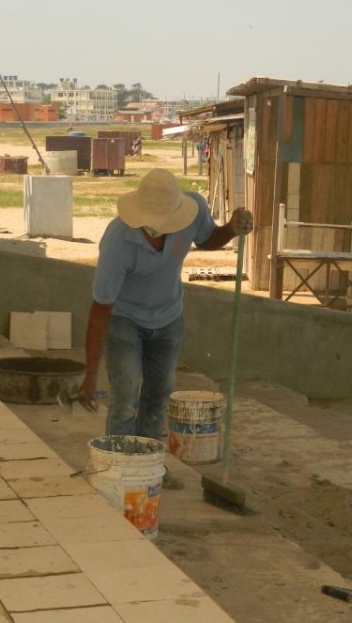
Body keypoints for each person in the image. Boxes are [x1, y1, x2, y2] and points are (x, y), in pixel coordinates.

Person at [76, 169, 253, 440]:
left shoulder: (193, 211)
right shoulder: (118, 241)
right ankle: (120, 465)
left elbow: (207, 240)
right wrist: (90, 374)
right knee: (125, 400)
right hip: (125, 320)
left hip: (169, 317)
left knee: (158, 396)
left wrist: (230, 229)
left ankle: (149, 462)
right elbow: (100, 310)